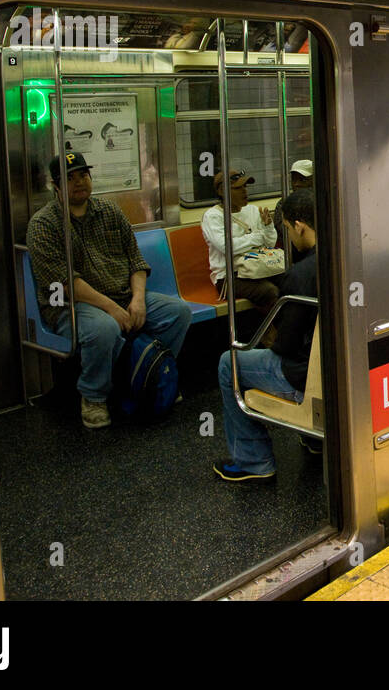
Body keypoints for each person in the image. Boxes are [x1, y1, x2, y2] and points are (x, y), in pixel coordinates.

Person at [27, 152, 192, 429]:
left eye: (83, 175)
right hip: (71, 305)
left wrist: (138, 299)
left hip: (123, 295)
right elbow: (65, 283)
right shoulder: (44, 225)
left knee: (178, 312)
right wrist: (112, 307)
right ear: (55, 186)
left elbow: (136, 262)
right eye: (69, 178)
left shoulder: (110, 211)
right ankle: (94, 396)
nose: (79, 182)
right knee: (104, 328)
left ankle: (150, 375)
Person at [213, 189, 319, 482]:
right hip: (339, 375)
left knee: (229, 362)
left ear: (299, 225)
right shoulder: (347, 258)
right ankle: (315, 440)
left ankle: (253, 461)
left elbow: (286, 345)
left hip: (303, 376)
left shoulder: (299, 275)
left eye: (286, 228)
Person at [201, 169, 280, 319]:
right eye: (238, 188)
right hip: (229, 276)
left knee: (292, 279)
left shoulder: (253, 210)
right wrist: (258, 236)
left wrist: (268, 228)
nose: (245, 191)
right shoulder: (213, 216)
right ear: (222, 191)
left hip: (258, 267)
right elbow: (228, 247)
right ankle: (272, 334)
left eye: (246, 187)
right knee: (268, 291)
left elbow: (270, 243)